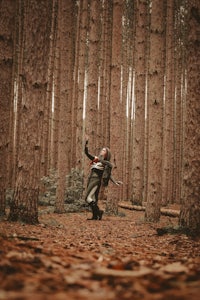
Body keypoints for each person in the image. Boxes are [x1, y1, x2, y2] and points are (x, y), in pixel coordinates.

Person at [84, 138, 123, 220]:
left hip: (96, 180)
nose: (102, 151)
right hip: (91, 179)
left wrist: (115, 182)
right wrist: (86, 143)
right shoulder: (96, 159)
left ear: (107, 154)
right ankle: (95, 216)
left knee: (88, 198)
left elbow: (109, 175)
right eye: (102, 150)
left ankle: (99, 212)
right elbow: (87, 153)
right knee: (93, 198)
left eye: (104, 150)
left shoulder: (106, 163)